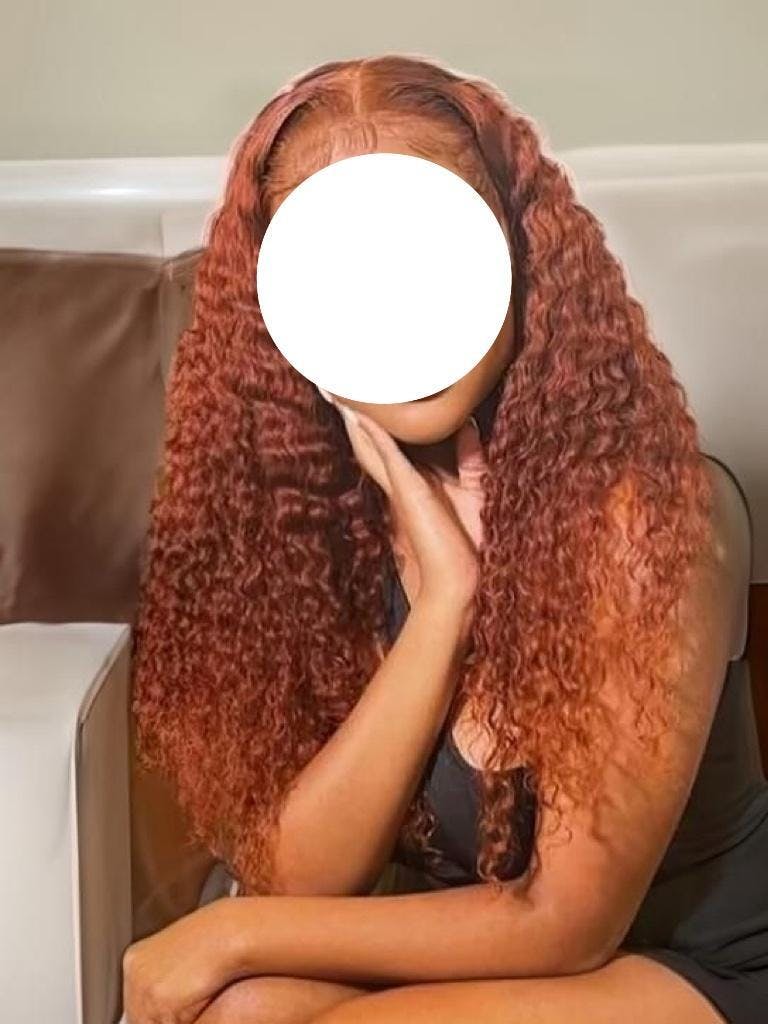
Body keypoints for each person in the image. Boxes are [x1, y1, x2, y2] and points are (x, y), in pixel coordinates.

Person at [124, 54, 766, 1024]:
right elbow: (304, 879)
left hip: (696, 963)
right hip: (509, 959)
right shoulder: (318, 522)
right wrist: (446, 605)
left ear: (517, 254)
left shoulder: (647, 516)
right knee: (241, 1011)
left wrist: (231, 929)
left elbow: (567, 923)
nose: (396, 308)